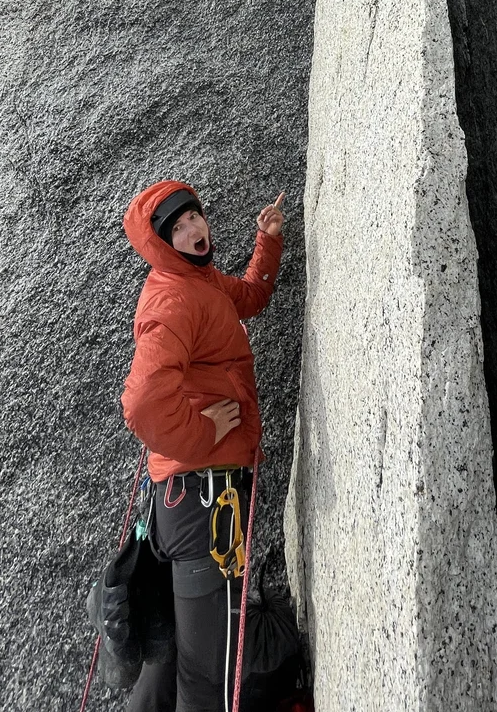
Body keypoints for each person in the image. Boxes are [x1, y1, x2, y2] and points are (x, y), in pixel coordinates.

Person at [120, 179, 285, 712]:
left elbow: (251, 296)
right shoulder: (172, 298)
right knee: (207, 673)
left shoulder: (202, 282)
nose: (193, 229)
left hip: (187, 502)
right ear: (161, 244)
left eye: (194, 216)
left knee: (168, 657)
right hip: (202, 502)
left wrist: (268, 241)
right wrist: (204, 432)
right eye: (177, 227)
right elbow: (143, 403)